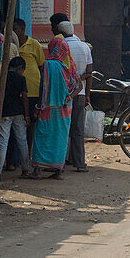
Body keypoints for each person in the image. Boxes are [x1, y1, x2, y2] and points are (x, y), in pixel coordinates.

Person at [30, 37, 77, 179]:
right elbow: (78, 85)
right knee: (60, 138)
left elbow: (43, 87)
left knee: (41, 136)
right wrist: (69, 97)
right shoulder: (70, 65)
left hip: (48, 107)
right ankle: (58, 170)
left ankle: (38, 170)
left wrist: (38, 105)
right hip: (65, 109)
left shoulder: (48, 65)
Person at [56, 18, 92, 172]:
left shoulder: (62, 47)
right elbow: (89, 73)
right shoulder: (85, 47)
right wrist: (87, 94)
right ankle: (79, 163)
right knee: (77, 129)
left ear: (61, 33)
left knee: (62, 128)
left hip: (64, 93)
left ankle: (59, 162)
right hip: (80, 92)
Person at [0, 57, 33, 178]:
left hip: (4, 113)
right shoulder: (21, 79)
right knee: (22, 141)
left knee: (3, 142)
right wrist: (27, 115)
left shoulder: (1, 77)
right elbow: (25, 98)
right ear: (20, 68)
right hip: (18, 113)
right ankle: (26, 169)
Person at [13, 18, 45, 148]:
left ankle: (29, 152)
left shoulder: (34, 44)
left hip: (32, 89)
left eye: (15, 29)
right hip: (16, 90)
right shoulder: (10, 44)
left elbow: (41, 65)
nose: (13, 31)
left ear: (22, 29)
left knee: (31, 123)